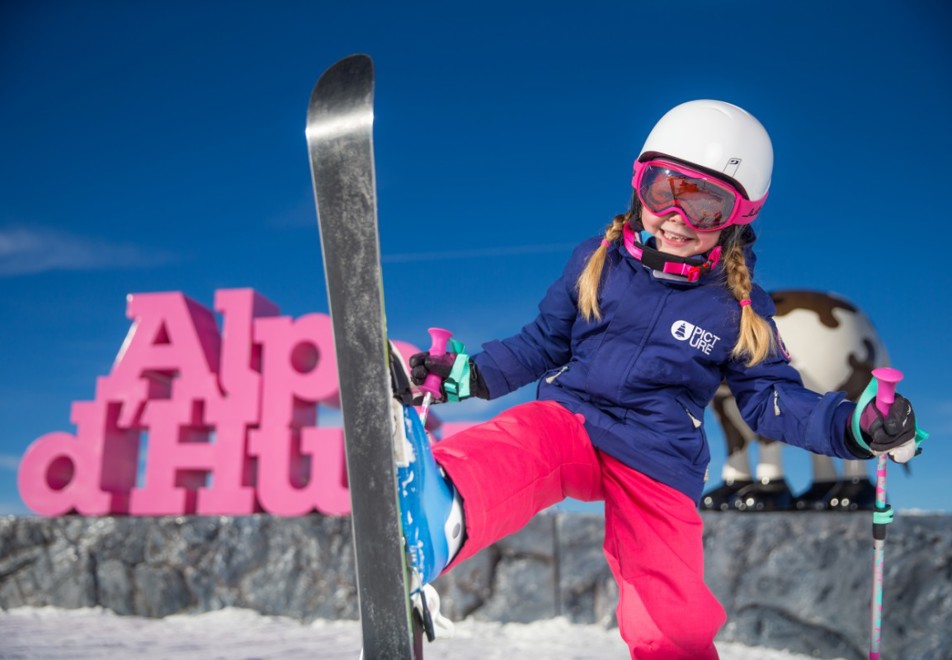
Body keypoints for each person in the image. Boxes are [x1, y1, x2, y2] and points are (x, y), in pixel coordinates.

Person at [396, 100, 922, 659]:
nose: (677, 216)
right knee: (522, 436)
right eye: (663, 191)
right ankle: (444, 510)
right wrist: (468, 373)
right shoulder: (596, 262)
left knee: (664, 597)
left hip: (656, 456)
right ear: (637, 188)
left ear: (738, 218)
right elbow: (543, 342)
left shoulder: (738, 307)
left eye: (706, 204)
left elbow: (771, 400)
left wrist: (854, 426)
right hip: (573, 422)